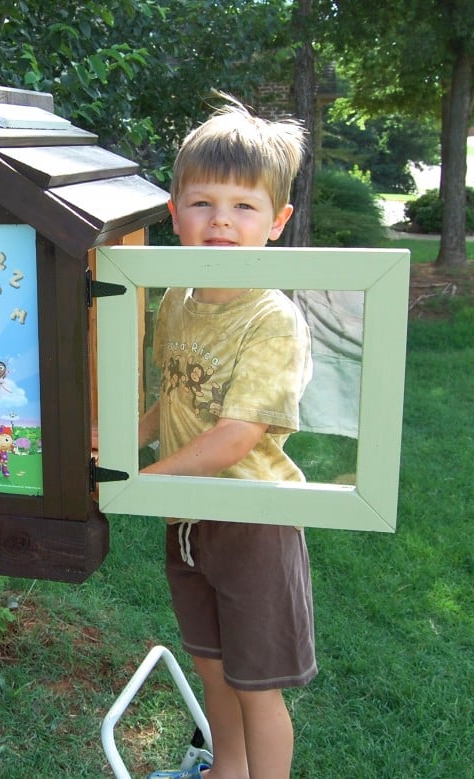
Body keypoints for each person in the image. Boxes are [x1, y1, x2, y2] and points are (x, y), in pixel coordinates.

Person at [141, 98, 316, 779]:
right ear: (174, 212)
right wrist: (127, 439)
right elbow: (173, 395)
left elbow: (238, 434)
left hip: (252, 522)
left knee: (255, 685)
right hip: (189, 519)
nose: (220, 220)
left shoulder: (272, 317)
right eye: (203, 202)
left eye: (244, 207)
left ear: (276, 222)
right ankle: (224, 772)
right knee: (213, 672)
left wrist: (144, 483)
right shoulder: (175, 298)